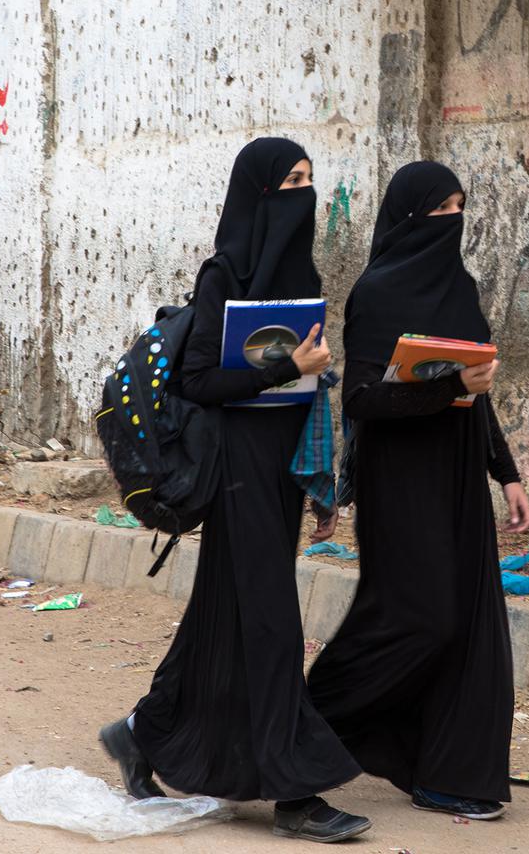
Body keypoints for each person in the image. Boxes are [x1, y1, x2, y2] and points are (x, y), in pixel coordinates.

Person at [98, 137, 370, 844]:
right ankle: (298, 797)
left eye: (309, 181)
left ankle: (142, 733)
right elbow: (195, 382)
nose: (302, 195)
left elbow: (309, 391)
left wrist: (318, 483)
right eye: (289, 183)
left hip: (280, 468)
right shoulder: (224, 274)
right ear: (256, 194)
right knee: (274, 625)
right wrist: (282, 370)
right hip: (236, 468)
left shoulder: (301, 272)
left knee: (222, 617)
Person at [307, 160, 529, 822]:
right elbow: (364, 399)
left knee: (467, 625)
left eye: (460, 207)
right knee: (417, 618)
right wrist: (446, 389)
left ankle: (451, 774)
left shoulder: (460, 289)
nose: (452, 221)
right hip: (399, 482)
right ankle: (298, 724)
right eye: (441, 209)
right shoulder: (374, 293)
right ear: (410, 217)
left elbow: (478, 389)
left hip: (459, 476)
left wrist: (507, 472)